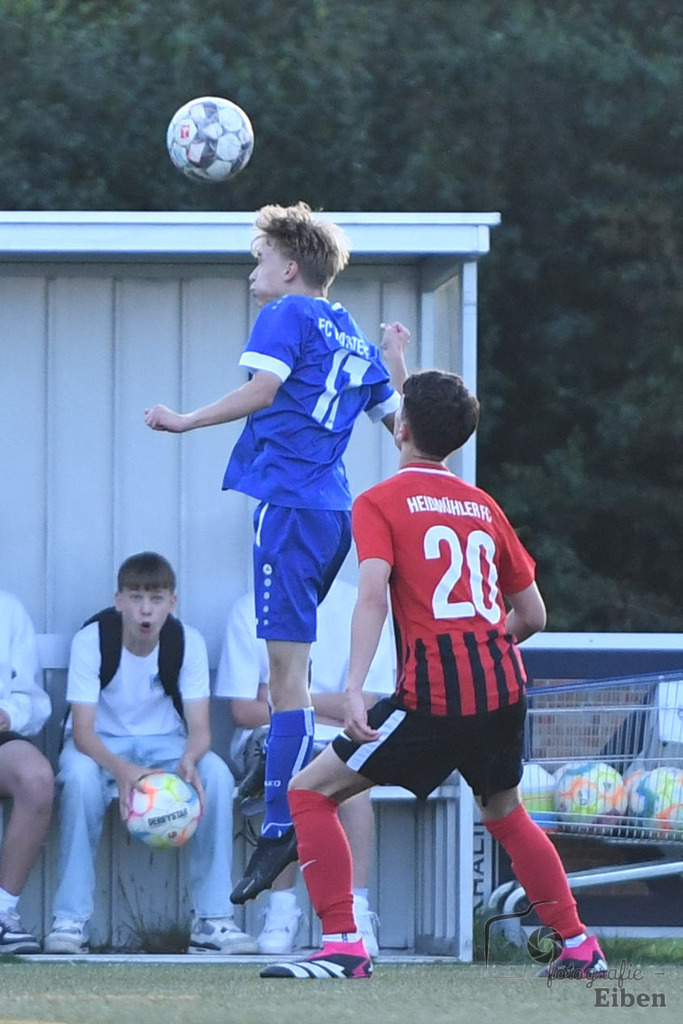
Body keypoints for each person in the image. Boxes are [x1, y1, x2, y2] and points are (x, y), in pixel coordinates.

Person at [260, 369, 609, 981]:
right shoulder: (482, 505)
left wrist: (353, 687)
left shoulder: (379, 502)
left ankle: (343, 945)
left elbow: (373, 595)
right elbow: (533, 615)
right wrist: (483, 647)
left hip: (437, 693)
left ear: (400, 428)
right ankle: (579, 945)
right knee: (506, 813)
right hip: (503, 685)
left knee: (309, 792)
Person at [145, 201, 410, 903]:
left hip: (289, 510)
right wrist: (396, 361)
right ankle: (287, 810)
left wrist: (184, 421)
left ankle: (279, 822)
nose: (253, 272)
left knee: (284, 680)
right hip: (332, 514)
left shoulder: (285, 315)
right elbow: (404, 428)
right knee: (294, 668)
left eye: (260, 259)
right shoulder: (350, 332)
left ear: (290, 267)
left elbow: (262, 390)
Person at [44, 552, 256, 955]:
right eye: (136, 597)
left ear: (171, 603)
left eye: (156, 599)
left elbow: (200, 730)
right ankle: (70, 921)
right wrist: (124, 770)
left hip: (165, 743)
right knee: (80, 780)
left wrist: (190, 759)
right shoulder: (93, 640)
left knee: (215, 775)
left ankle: (212, 921)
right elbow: (83, 734)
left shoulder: (185, 641)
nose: (146, 609)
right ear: (118, 600)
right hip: (100, 745)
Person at [215, 576, 395, 956]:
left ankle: (356, 910)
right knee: (288, 766)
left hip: (340, 735)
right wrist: (330, 706)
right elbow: (243, 710)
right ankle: (282, 910)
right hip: (269, 737)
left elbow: (365, 705)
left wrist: (287, 697)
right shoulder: (250, 608)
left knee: (354, 786)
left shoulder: (360, 606)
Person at [0, 589, 54, 954]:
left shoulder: (8, 609)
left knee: (36, 777)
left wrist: (7, 714)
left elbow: (31, 700)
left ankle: (2, 911)